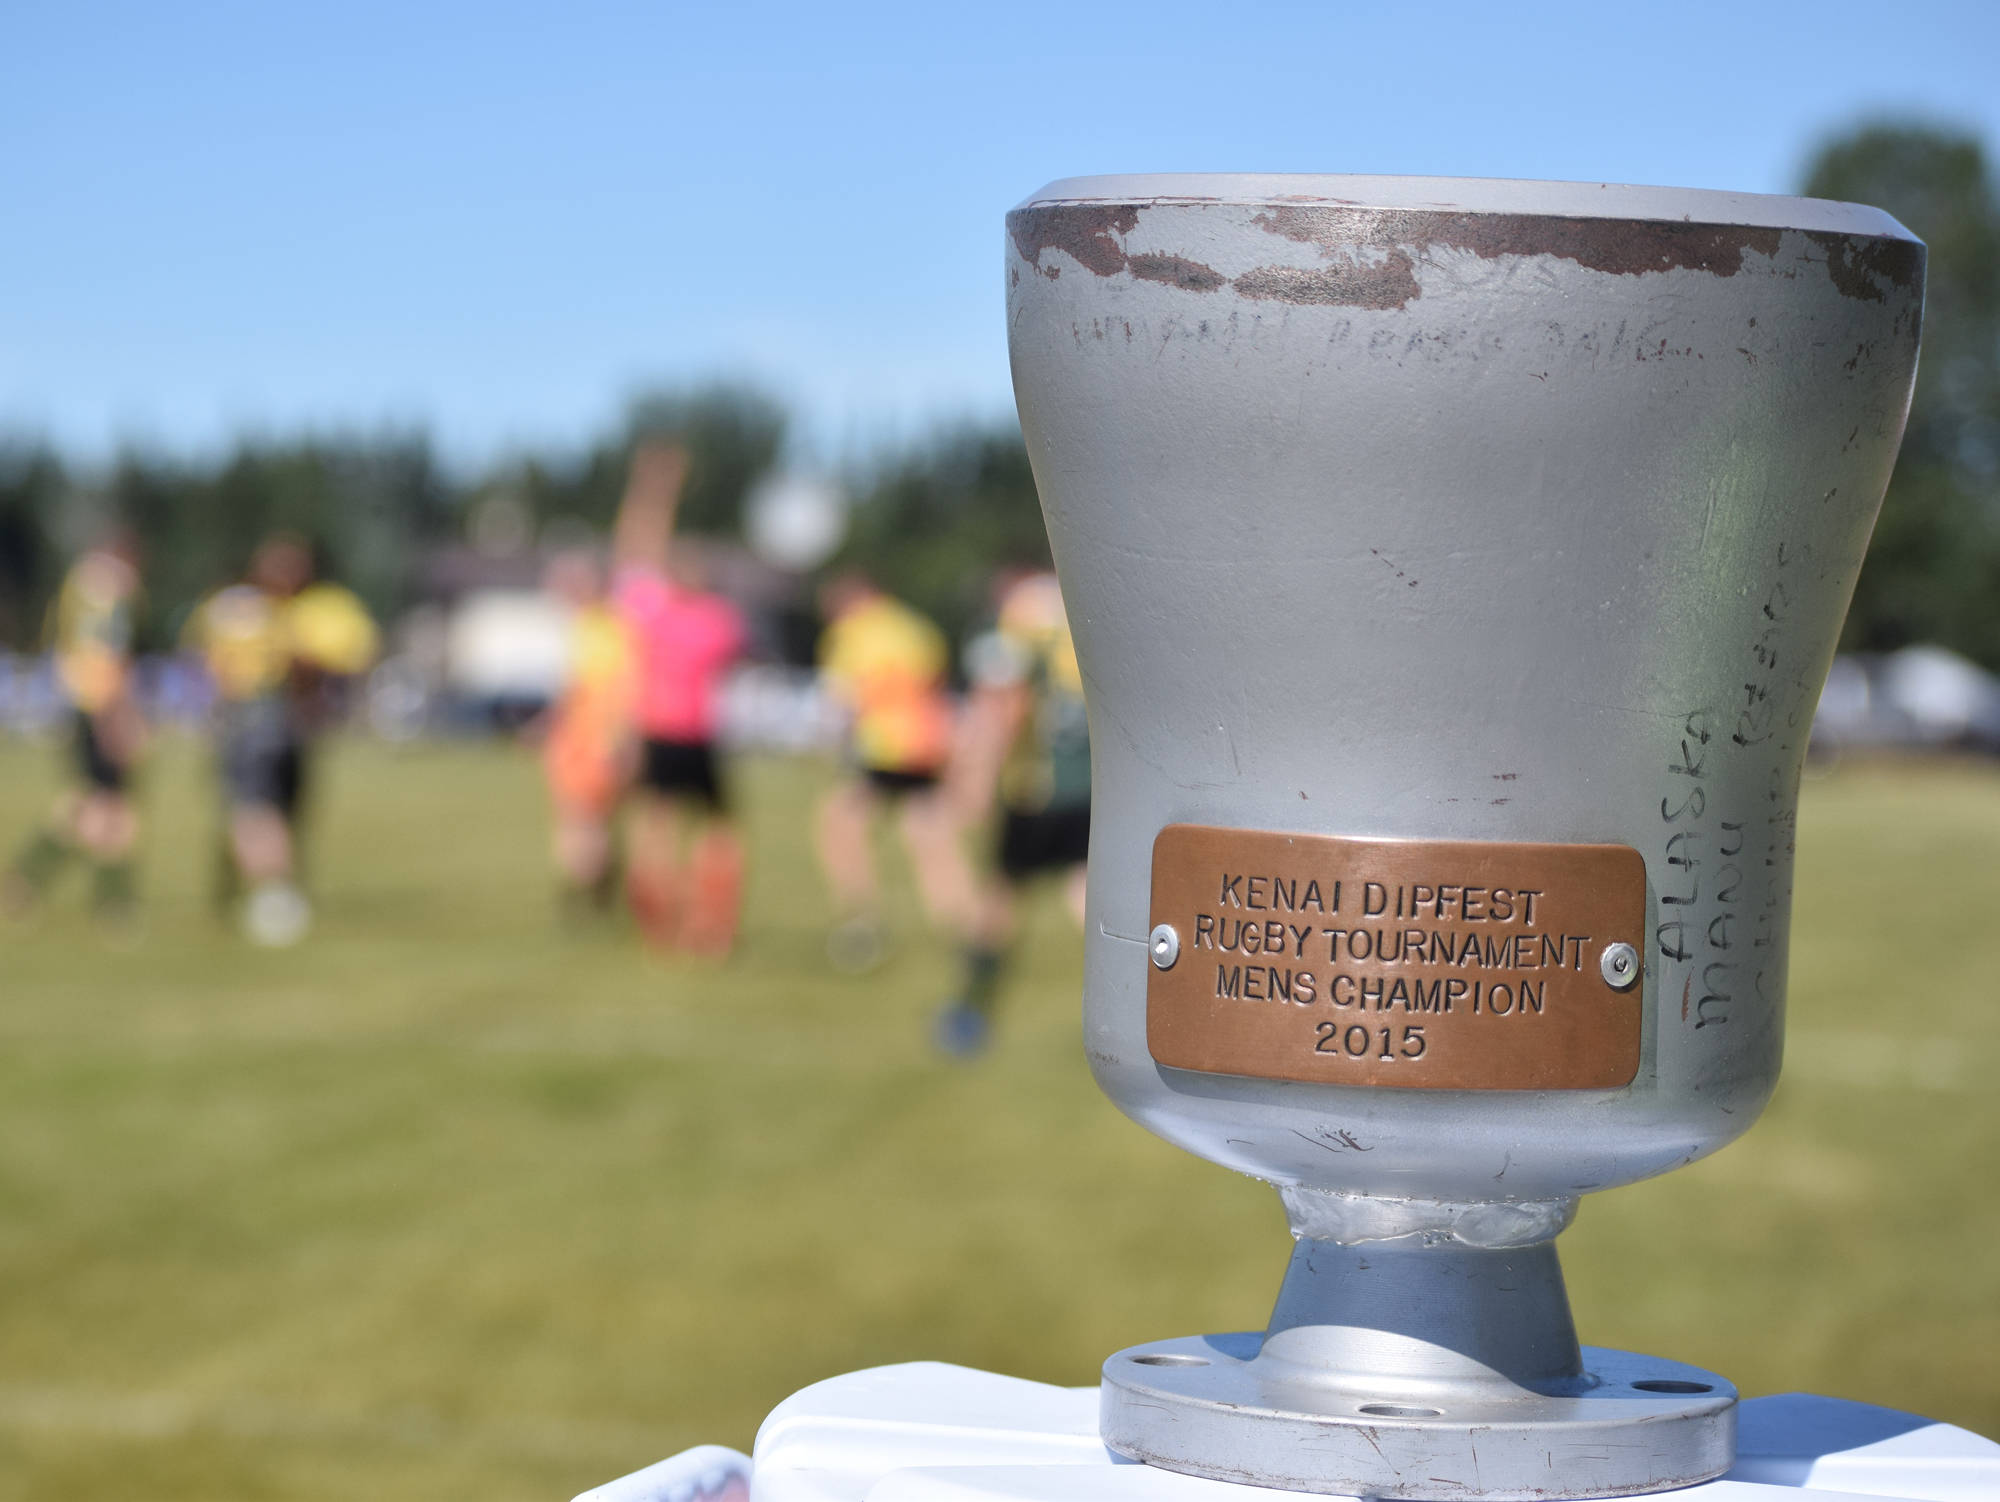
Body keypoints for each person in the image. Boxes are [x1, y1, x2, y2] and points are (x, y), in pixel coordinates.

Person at [184, 535, 378, 947]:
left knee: (263, 810)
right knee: (257, 809)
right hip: (263, 716)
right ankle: (269, 890)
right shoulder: (254, 610)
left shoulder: (250, 608)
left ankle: (270, 890)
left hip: (268, 719)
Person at [934, 569, 1091, 1056]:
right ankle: (1143, 1006)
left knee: (999, 900)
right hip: (1084, 789)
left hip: (1033, 792)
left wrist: (976, 779)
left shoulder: (1018, 635)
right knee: (1085, 894)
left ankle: (971, 1010)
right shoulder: (1081, 632)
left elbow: (1005, 708)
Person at [613, 442, 750, 956]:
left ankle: (664, 920)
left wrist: (653, 488)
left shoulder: (654, 611)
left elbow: (635, 549)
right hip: (699, 736)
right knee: (718, 830)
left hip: (659, 731)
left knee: (658, 827)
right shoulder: (720, 622)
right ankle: (711, 924)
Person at [813, 571, 976, 972]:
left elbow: (844, 699)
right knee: (931, 837)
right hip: (929, 745)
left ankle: (862, 918)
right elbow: (937, 686)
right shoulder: (916, 628)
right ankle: (964, 926)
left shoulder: (852, 632)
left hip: (883, 749)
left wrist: (835, 746)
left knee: (838, 825)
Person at [3, 531, 146, 925]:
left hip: (81, 706)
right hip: (97, 708)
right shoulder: (108, 590)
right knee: (109, 809)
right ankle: (112, 903)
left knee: (91, 807)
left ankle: (27, 883)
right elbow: (104, 659)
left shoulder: (79, 586)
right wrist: (116, 719)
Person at [540, 545, 633, 920]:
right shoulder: (585, 627)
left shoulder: (608, 628)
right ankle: (592, 888)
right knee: (579, 820)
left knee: (587, 822)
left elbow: (614, 693)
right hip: (576, 741)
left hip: (596, 743)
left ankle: (590, 888)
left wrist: (618, 740)